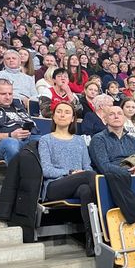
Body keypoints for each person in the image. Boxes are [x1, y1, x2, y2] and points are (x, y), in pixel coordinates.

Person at [38, 101, 97, 256]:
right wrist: (71, 173)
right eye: (59, 111)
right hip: (54, 186)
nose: (62, 114)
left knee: (86, 190)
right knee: (91, 177)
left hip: (79, 183)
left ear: (73, 118)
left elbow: (87, 166)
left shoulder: (79, 140)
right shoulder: (46, 140)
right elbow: (46, 170)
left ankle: (92, 239)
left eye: (67, 112)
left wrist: (80, 174)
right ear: (54, 116)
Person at [0, 78, 40, 163]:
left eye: (10, 94)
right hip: (6, 142)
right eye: (3, 94)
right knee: (11, 143)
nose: (8, 97)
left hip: (30, 139)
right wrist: (10, 135)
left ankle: (49, 175)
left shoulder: (19, 108)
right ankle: (16, 175)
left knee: (45, 142)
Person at [89, 105, 135, 178]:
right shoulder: (98, 139)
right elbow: (104, 167)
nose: (116, 116)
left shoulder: (133, 140)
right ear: (105, 119)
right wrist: (132, 172)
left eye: (119, 113)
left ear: (124, 118)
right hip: (114, 179)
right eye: (111, 114)